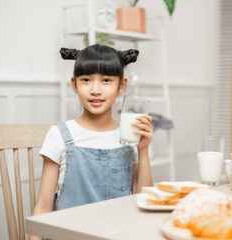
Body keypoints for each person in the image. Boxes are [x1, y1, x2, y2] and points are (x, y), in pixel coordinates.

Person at [29, 44, 153, 240]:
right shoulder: (59, 135)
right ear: (74, 84)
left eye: (106, 80)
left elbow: (143, 200)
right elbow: (43, 207)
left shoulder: (130, 138)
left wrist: (143, 150)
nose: (96, 90)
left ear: (121, 86)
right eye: (86, 80)